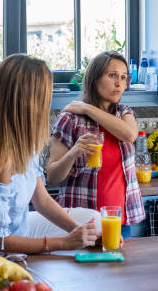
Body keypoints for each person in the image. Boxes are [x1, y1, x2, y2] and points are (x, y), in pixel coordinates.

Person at [0, 54, 99, 254]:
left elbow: (42, 201)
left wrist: (80, 232)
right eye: (46, 97)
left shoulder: (20, 144)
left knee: (93, 222)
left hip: (14, 252)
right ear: (30, 103)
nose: (48, 105)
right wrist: (65, 243)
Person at [46, 51, 145, 229]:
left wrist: (87, 108)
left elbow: (130, 135)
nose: (119, 83)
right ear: (94, 78)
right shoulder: (70, 119)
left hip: (119, 222)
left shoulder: (124, 113)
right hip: (80, 223)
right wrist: (73, 153)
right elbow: (52, 178)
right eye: (112, 75)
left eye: (123, 77)